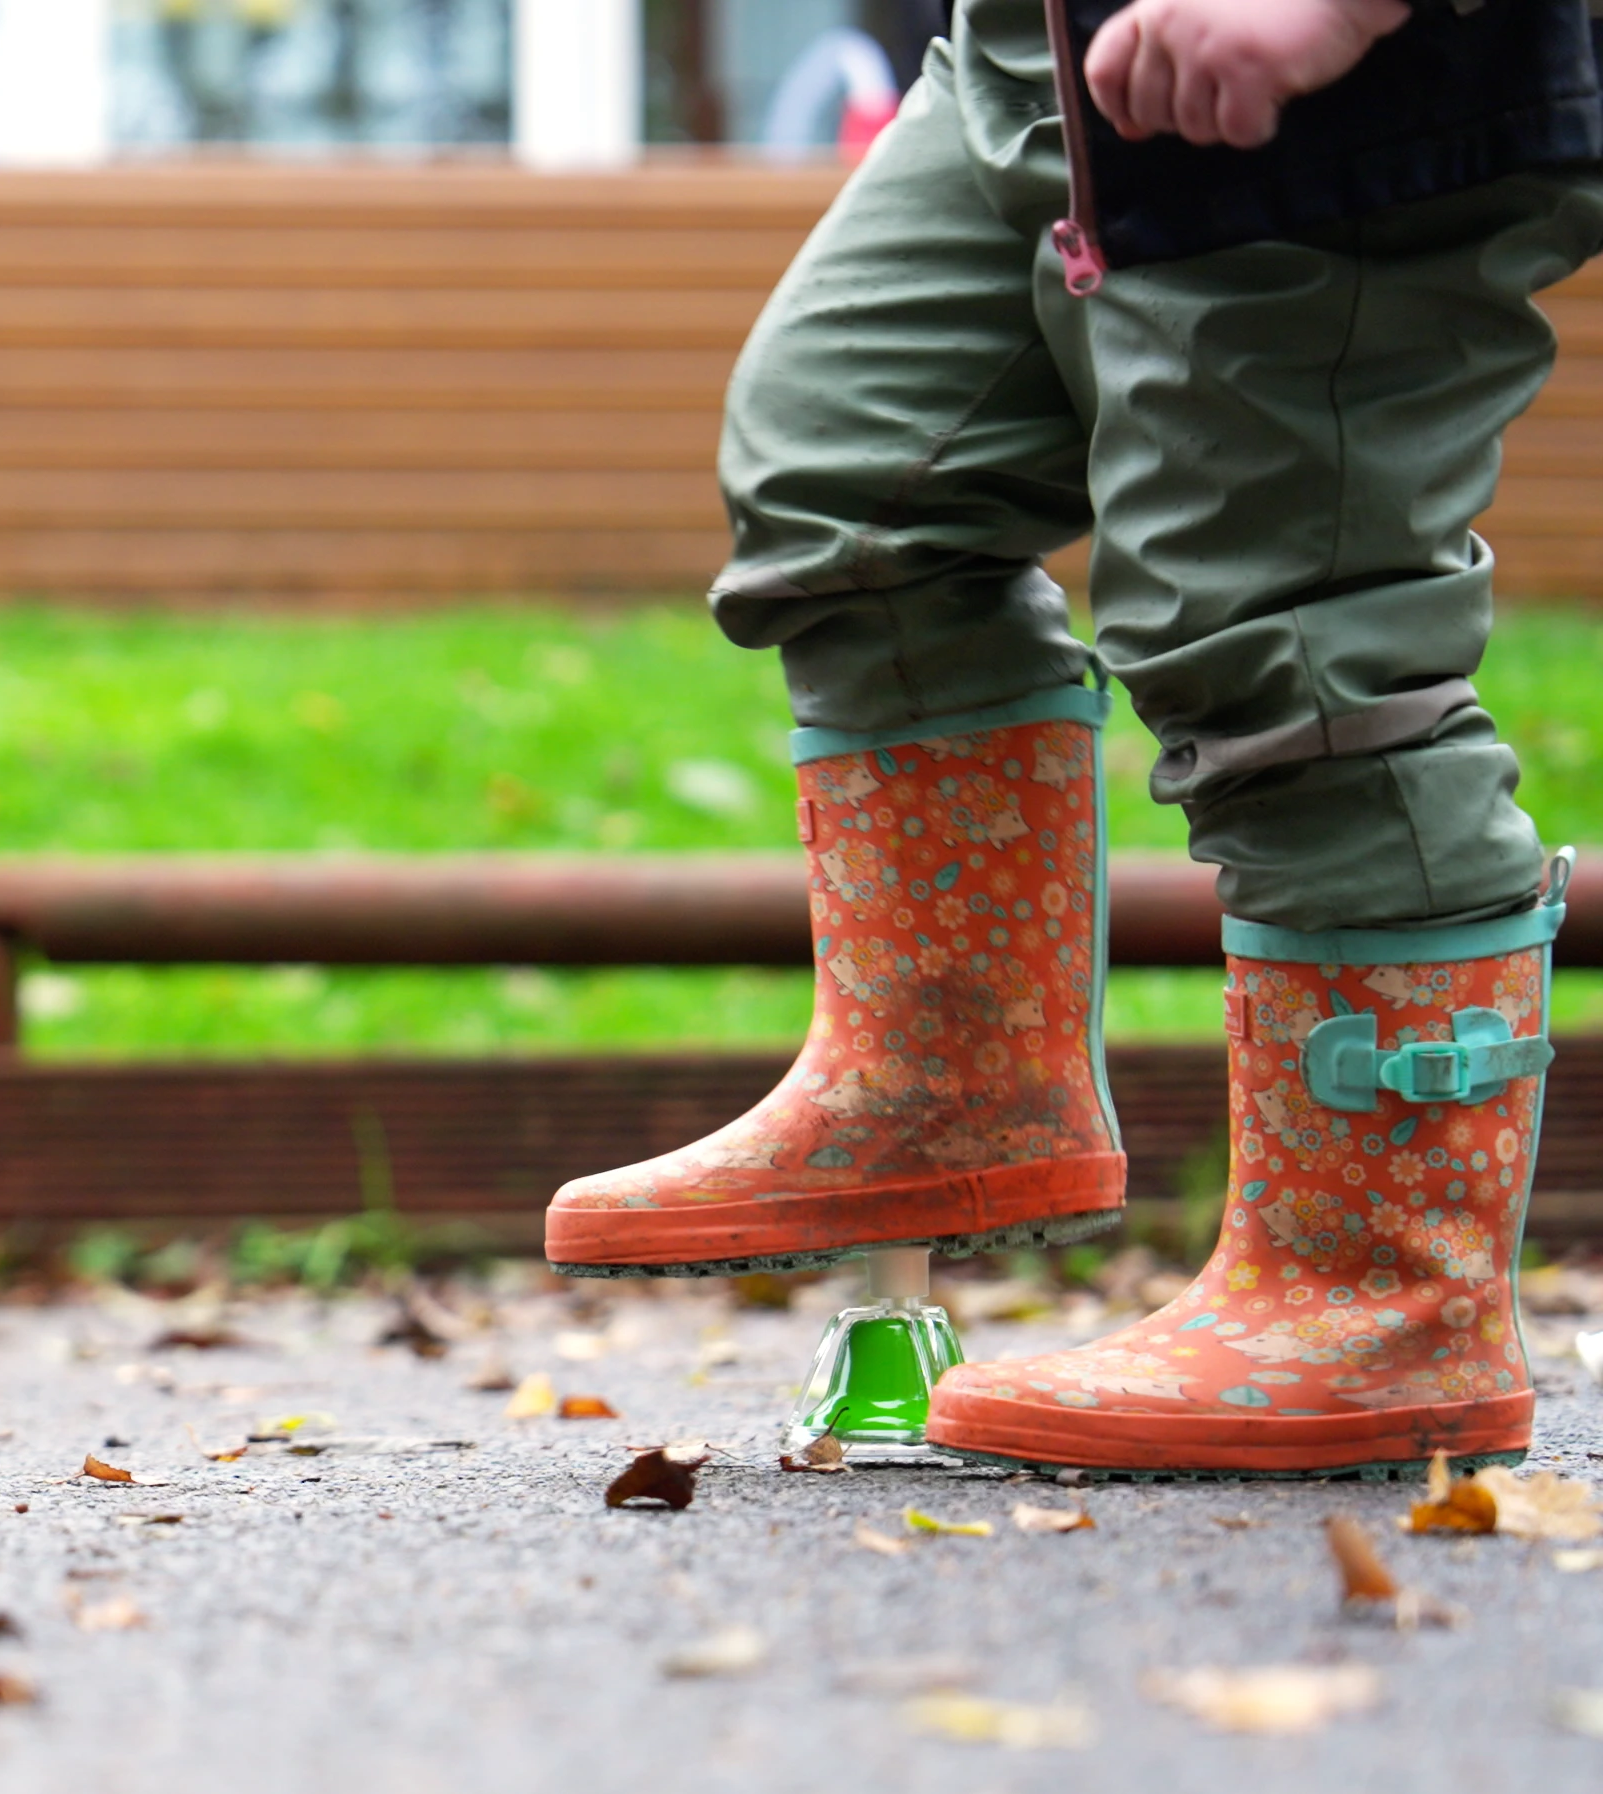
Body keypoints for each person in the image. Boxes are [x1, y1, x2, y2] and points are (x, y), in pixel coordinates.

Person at [544, 0, 1602, 1476]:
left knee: (1282, 631)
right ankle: (946, 1083)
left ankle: (1379, 1296)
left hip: (1330, 78)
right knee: (851, 490)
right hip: (1030, 48)